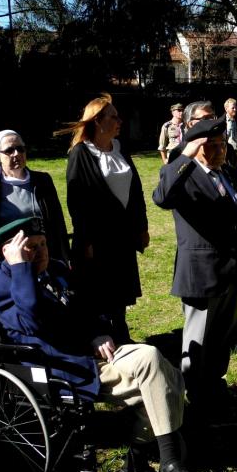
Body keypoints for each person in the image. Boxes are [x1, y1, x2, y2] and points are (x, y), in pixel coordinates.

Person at [0, 217, 197, 472]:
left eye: (43, 244)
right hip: (62, 365)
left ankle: (150, 462)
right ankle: (160, 460)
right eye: (31, 248)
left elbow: (88, 308)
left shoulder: (57, 269)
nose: (40, 252)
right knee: (157, 373)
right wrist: (20, 268)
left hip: (93, 352)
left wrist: (98, 332)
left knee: (163, 371)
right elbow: (34, 319)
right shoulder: (0, 284)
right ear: (9, 251)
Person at [152, 117, 237, 409]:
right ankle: (194, 393)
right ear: (197, 148)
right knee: (199, 338)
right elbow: (161, 197)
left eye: (223, 145)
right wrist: (184, 156)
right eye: (213, 146)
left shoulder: (226, 172)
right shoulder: (185, 173)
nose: (221, 151)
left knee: (222, 334)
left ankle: (215, 384)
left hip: (230, 269)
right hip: (202, 271)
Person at [54, 93, 149, 344]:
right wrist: (86, 240)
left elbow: (136, 191)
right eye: (113, 117)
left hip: (123, 234)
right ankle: (105, 338)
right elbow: (77, 202)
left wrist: (142, 227)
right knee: (100, 291)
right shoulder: (81, 153)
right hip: (98, 237)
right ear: (97, 120)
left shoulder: (120, 149)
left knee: (120, 288)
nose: (120, 121)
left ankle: (121, 333)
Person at [0, 130, 69, 286]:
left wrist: (64, 257)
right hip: (13, 265)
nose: (16, 154)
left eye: (20, 148)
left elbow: (58, 222)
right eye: (9, 150)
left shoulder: (43, 181)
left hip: (45, 259)